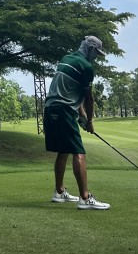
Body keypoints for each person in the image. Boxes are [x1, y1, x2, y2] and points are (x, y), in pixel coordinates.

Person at [43, 35, 110, 210]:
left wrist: (81, 117)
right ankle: (85, 198)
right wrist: (89, 121)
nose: (96, 57)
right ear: (90, 48)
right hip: (64, 110)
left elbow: (75, 93)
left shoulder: (66, 59)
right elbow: (88, 98)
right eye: (97, 53)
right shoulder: (86, 66)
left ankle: (59, 192)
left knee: (63, 150)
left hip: (51, 109)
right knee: (79, 152)